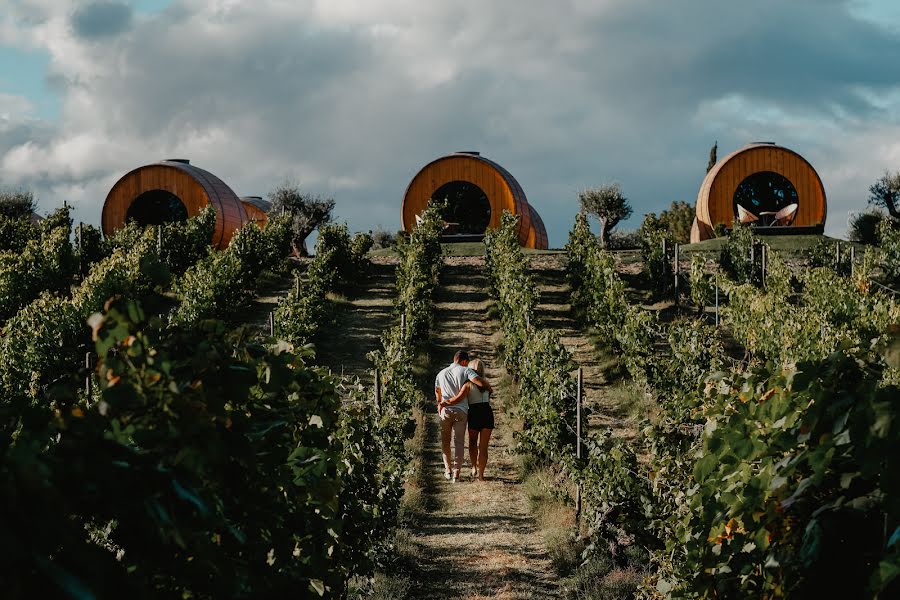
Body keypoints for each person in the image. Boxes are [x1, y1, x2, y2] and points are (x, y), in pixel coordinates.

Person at [435, 350, 492, 482]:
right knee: (460, 442)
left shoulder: (441, 373)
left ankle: (448, 469)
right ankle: (458, 474)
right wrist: (488, 388)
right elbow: (481, 383)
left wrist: (441, 403)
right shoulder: (466, 371)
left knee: (446, 441)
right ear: (464, 361)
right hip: (467, 411)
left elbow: (438, 392)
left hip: (449, 411)